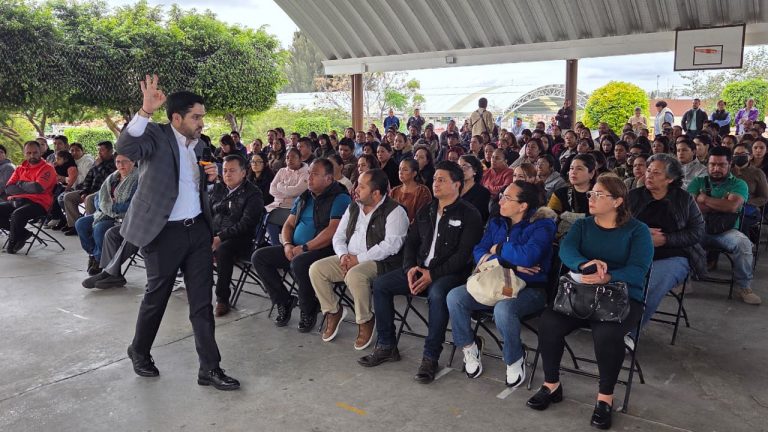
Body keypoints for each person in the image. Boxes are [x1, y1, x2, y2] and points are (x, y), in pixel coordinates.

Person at [116, 76, 240, 389]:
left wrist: (210, 178)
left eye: (202, 117)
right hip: (163, 233)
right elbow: (126, 147)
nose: (202, 122)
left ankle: (210, 368)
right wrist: (145, 110)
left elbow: (195, 188)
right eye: (196, 117)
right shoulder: (156, 136)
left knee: (202, 303)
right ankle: (139, 350)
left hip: (197, 230)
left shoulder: (201, 145)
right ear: (176, 118)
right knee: (157, 297)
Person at [528, 176, 653, 430]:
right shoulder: (583, 225)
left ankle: (605, 397)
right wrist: (584, 265)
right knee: (549, 323)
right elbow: (566, 250)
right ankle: (551, 384)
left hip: (622, 297)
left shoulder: (637, 230)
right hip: (581, 293)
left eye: (599, 195)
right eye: (591, 194)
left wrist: (608, 276)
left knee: (607, 334)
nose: (591, 199)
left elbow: (639, 269)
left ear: (617, 201)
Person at [358, 161, 483, 384]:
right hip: (420, 268)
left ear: (457, 184)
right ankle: (386, 345)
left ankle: (430, 357)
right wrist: (409, 269)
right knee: (381, 284)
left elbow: (463, 256)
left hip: (450, 274)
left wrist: (432, 275)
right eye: (434, 179)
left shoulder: (469, 214)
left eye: (442, 180)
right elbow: (411, 242)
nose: (435, 183)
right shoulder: (428, 210)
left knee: (437, 294)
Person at [448, 181, 556, 387]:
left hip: (530, 288)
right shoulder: (497, 221)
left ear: (523, 205)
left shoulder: (542, 225)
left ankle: (514, 357)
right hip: (494, 282)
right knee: (455, 297)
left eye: (507, 198)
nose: (500, 201)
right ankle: (469, 346)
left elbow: (529, 256)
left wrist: (498, 249)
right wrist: (508, 262)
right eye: (501, 196)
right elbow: (479, 251)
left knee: (504, 309)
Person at [309, 169, 409, 350]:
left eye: (361, 187)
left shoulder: (395, 211)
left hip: (381, 262)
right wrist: (343, 255)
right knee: (316, 269)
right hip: (349, 257)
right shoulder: (354, 207)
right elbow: (338, 236)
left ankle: (365, 319)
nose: (355, 189)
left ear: (376, 193)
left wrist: (358, 259)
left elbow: (391, 246)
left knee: (355, 275)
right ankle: (333, 310)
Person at [252, 159, 352, 330]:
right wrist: (287, 244)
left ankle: (308, 308)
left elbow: (332, 231)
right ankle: (283, 300)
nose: (309, 178)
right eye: (309, 173)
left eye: (315, 174)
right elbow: (289, 224)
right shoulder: (304, 197)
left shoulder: (340, 198)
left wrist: (305, 248)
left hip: (324, 250)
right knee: (259, 257)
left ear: (328, 178)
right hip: (296, 247)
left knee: (299, 262)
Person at [627, 153, 705, 329]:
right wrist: (642, 233)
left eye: (656, 173)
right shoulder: (633, 196)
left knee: (649, 285)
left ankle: (630, 332)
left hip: (673, 255)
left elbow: (697, 232)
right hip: (635, 252)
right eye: (648, 170)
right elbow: (617, 224)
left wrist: (665, 239)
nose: (649, 175)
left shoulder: (684, 199)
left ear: (670, 179)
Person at [688, 146, 760, 304]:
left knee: (743, 243)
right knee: (678, 239)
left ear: (730, 164)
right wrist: (721, 203)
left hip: (726, 231)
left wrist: (704, 199)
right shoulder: (698, 181)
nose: (716, 169)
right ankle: (682, 281)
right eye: (712, 164)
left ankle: (744, 287)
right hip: (698, 229)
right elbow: (690, 208)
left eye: (721, 165)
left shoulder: (739, 184)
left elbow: (732, 207)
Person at [208, 155, 264, 317]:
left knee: (223, 250)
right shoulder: (218, 189)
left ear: (243, 173)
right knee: (191, 240)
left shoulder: (253, 194)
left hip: (240, 239)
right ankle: (199, 289)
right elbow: (208, 212)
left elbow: (246, 224)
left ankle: (222, 298)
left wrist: (220, 238)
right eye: (225, 170)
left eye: (232, 170)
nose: (227, 174)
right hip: (216, 233)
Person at [74, 153, 138, 276]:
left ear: (133, 162)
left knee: (99, 228)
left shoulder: (137, 178)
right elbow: (99, 197)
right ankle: (94, 254)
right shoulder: (113, 177)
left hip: (123, 217)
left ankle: (99, 261)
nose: (121, 165)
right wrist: (104, 205)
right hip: (104, 213)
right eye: (118, 162)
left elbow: (132, 204)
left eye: (125, 161)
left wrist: (112, 206)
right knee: (80, 223)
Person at [0, 140, 57, 253]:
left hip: (39, 203)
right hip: (17, 201)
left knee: (18, 214)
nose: (32, 155)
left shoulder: (47, 168)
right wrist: (29, 186)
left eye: (35, 152)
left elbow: (37, 188)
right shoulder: (20, 168)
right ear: (24, 153)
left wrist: (20, 183)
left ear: (40, 152)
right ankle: (23, 234)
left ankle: (13, 241)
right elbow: (9, 188)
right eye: (29, 153)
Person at [61, 141, 116, 235]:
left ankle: (91, 227)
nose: (99, 153)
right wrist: (84, 191)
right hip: (90, 190)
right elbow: (88, 178)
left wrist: (99, 165)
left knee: (89, 199)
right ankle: (75, 226)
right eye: (98, 150)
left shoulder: (114, 162)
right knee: (68, 197)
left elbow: (108, 178)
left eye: (102, 150)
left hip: (104, 192)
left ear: (110, 151)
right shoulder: (97, 162)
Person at [265, 148, 309, 246]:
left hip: (292, 208)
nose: (289, 160)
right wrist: (288, 193)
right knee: (260, 215)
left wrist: (281, 186)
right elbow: (271, 189)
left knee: (269, 217)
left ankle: (276, 245)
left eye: (293, 157)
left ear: (300, 159)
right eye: (287, 157)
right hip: (277, 204)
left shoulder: (306, 172)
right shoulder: (282, 171)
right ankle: (266, 243)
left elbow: (297, 191)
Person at [731, 143, 768, 237]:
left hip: (749, 209)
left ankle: (744, 244)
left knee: (740, 220)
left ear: (750, 156)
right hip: (729, 206)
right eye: (736, 154)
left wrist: (746, 202)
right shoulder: (728, 171)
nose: (739, 157)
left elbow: (764, 198)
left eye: (743, 154)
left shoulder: (757, 173)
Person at [390, 158, 432, 223]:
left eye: (405, 170)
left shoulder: (422, 191)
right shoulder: (394, 191)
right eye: (400, 169)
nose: (401, 172)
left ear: (414, 173)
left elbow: (422, 216)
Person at [458, 154, 491, 222]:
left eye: (465, 166)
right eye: (459, 167)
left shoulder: (483, 192)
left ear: (475, 170)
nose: (461, 170)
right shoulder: (454, 188)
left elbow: (479, 217)